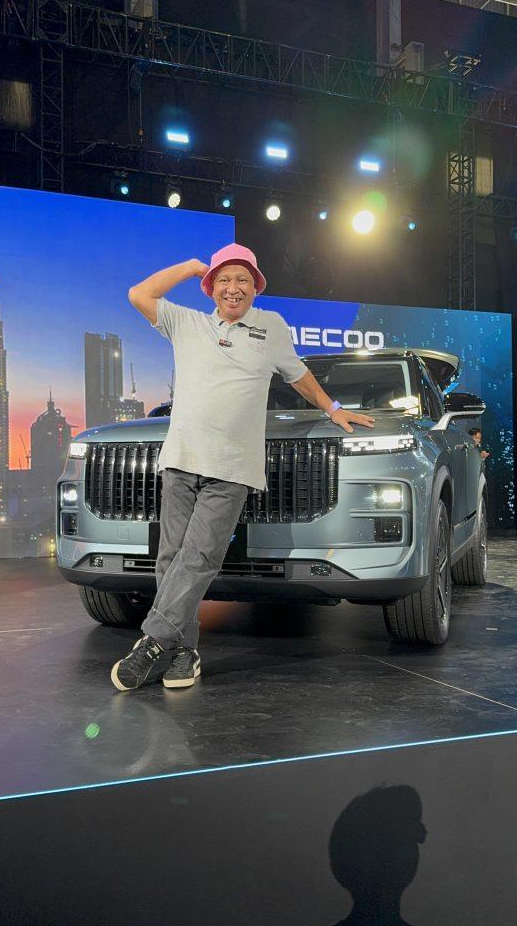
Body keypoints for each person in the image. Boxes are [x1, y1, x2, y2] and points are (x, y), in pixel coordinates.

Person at [110, 243, 376, 693]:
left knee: (199, 558)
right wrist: (191, 266)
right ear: (211, 287)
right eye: (224, 280)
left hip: (232, 468)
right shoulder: (187, 323)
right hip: (180, 461)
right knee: (172, 561)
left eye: (243, 281)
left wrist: (332, 408)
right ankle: (185, 652)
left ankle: (151, 643)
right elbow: (139, 294)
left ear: (255, 288)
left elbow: (298, 375)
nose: (233, 288)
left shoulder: (271, 326)